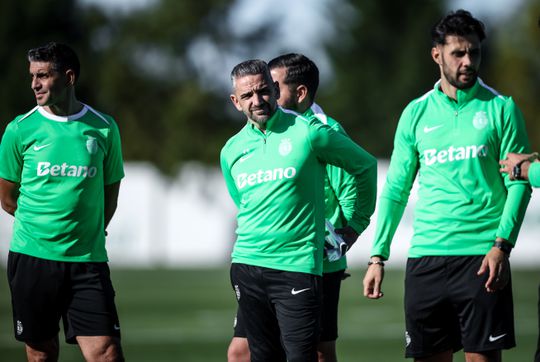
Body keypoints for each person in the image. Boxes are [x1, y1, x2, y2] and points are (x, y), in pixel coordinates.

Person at [362, 9, 531, 362]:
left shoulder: (502, 109)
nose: (468, 61)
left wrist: (502, 246)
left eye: (475, 52)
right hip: (427, 259)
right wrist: (377, 254)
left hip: (483, 256)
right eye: (459, 53)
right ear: (437, 55)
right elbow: (396, 188)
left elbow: (519, 182)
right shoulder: (415, 113)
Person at [221, 59, 377, 361]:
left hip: (297, 268)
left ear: (274, 88)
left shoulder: (310, 132)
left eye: (263, 91)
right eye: (247, 96)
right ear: (235, 102)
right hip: (246, 266)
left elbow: (365, 165)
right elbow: (244, 202)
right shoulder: (230, 150)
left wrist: (356, 225)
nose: (257, 101)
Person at [0, 42, 125, 362]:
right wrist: (45, 229)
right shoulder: (19, 129)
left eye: (43, 75)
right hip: (32, 260)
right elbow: (7, 197)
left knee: (107, 353)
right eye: (32, 76)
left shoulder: (104, 127)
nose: (34, 84)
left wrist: (88, 230)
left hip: (87, 261)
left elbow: (109, 193)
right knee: (41, 354)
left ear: (68, 77)